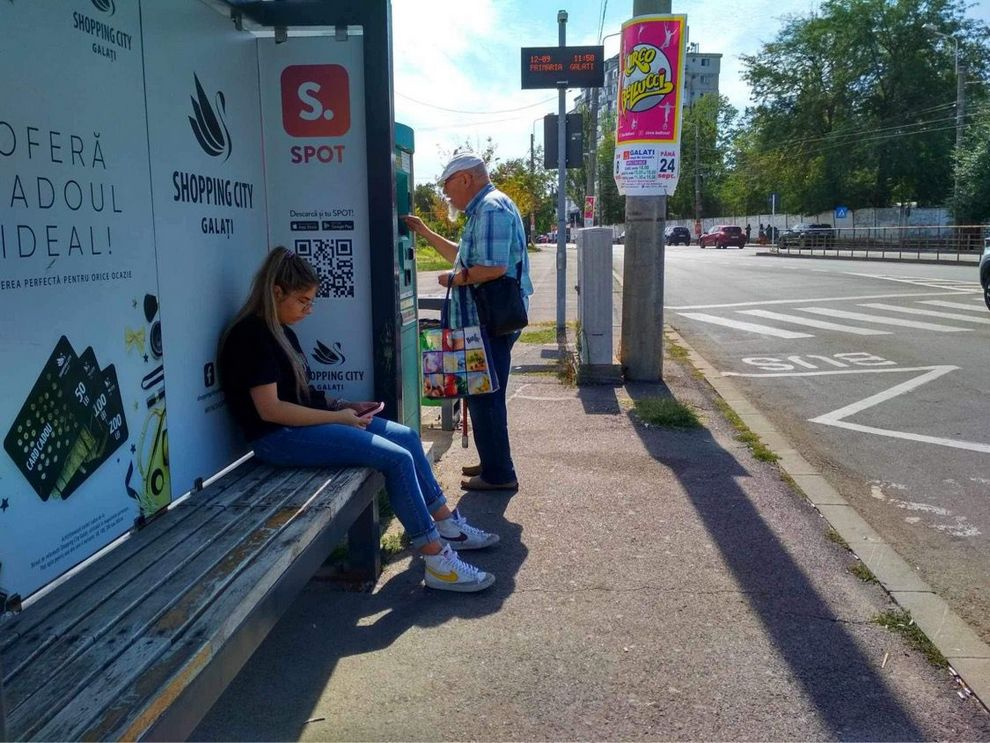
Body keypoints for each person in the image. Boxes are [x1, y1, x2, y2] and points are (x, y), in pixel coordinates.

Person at [218, 247, 498, 593]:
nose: (309, 309)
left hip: (302, 425)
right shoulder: (251, 336)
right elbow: (271, 411)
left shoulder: (280, 329)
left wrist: (344, 405)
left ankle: (446, 525)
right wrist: (337, 418)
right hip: (278, 438)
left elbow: (298, 394)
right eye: (303, 301)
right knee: (396, 458)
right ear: (276, 292)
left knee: (407, 437)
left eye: (311, 301)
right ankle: (436, 558)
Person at [403, 152, 532, 493]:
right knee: (481, 395)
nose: (448, 197)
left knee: (485, 397)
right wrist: (425, 231)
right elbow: (462, 255)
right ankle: (493, 462)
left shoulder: (490, 208)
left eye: (448, 188)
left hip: (488, 322)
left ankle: (500, 473)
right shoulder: (485, 209)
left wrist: (453, 279)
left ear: (465, 179)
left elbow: (492, 268)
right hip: (485, 321)